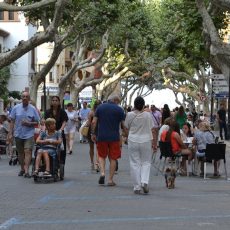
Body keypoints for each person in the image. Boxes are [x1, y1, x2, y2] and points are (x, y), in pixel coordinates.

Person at [91, 95, 125, 186]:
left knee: (101, 156)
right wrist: (126, 135)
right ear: (115, 100)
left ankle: (102, 173)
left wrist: (93, 133)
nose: (118, 103)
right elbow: (123, 125)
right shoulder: (119, 110)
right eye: (118, 102)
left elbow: (94, 122)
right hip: (114, 137)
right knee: (113, 158)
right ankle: (110, 180)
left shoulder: (100, 108)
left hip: (102, 136)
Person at [124, 96, 154, 194]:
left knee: (134, 163)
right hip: (146, 140)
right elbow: (152, 128)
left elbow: (126, 127)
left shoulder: (129, 114)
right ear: (143, 104)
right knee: (146, 162)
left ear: (134, 104)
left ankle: (137, 186)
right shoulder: (148, 115)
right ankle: (144, 181)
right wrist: (154, 143)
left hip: (133, 140)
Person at [8, 91, 40, 178]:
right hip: (18, 133)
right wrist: (10, 133)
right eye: (23, 96)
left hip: (29, 134)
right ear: (21, 98)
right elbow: (12, 121)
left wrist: (29, 123)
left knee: (28, 151)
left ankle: (26, 171)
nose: (25, 98)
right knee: (20, 153)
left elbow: (37, 122)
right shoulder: (16, 108)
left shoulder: (33, 109)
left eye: (26, 96)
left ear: (29, 99)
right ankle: (22, 168)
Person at [44, 96, 68, 179]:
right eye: (53, 100)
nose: (54, 102)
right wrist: (43, 130)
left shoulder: (62, 112)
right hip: (49, 134)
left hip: (59, 133)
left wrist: (61, 130)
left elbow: (64, 122)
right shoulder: (47, 112)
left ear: (59, 102)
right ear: (51, 102)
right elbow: (45, 122)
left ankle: (61, 165)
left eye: (56, 100)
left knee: (61, 150)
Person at [87, 100, 101, 171]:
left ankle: (93, 163)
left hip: (91, 130)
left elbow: (89, 123)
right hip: (98, 130)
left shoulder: (91, 112)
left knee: (92, 147)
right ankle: (96, 164)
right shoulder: (101, 112)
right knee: (97, 148)